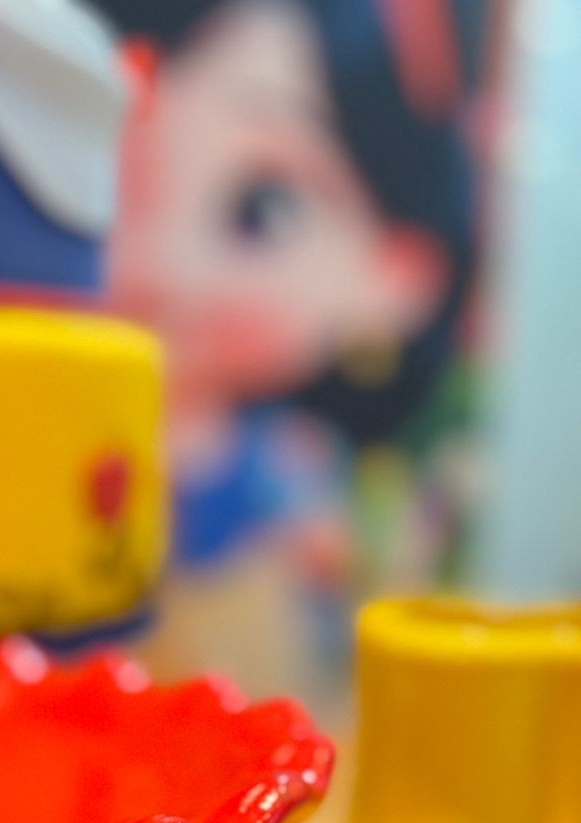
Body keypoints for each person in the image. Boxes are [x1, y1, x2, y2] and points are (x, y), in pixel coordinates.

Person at [108, 0, 482, 688]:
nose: (163, 266)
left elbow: (324, 543)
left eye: (261, 210)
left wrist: (323, 545)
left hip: (244, 668)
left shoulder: (286, 454)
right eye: (116, 189)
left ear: (396, 269)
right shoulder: (83, 441)